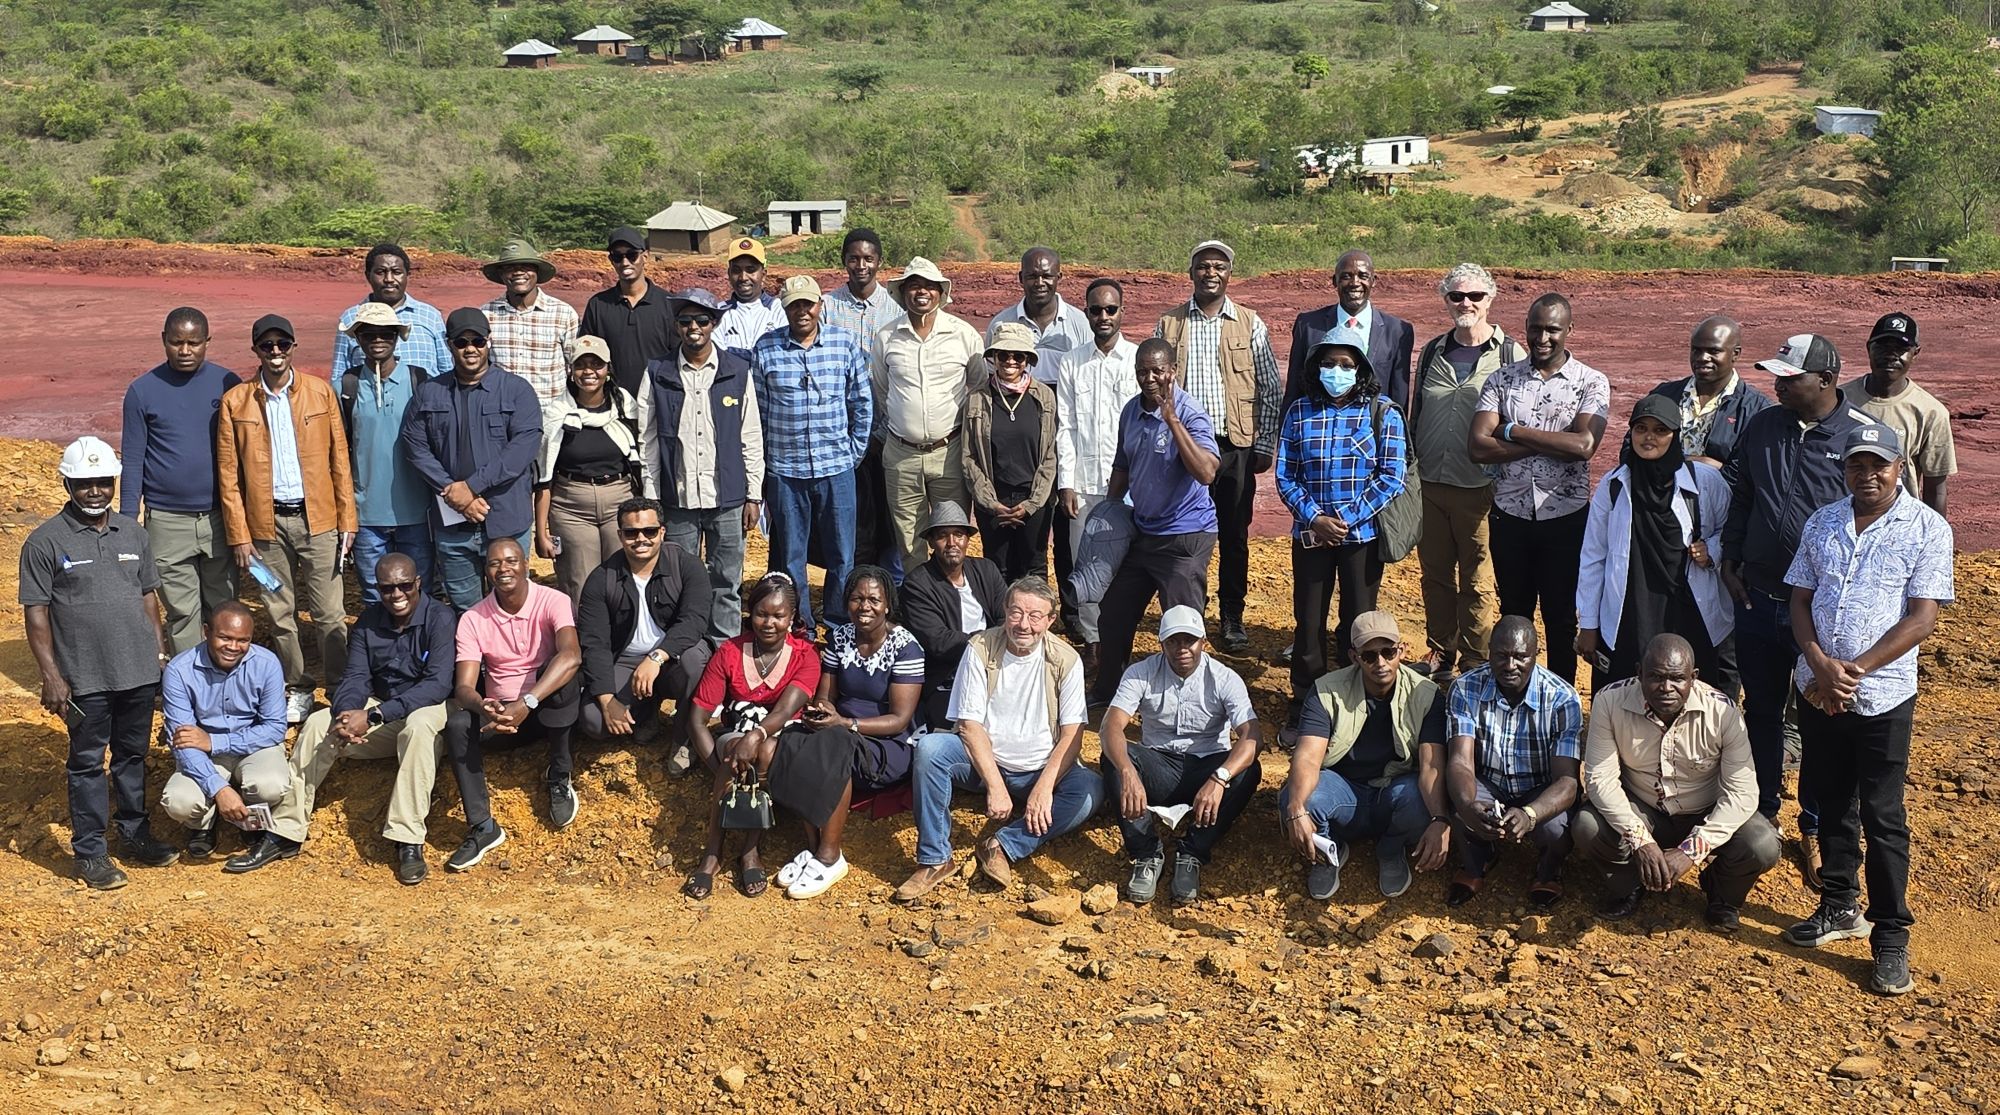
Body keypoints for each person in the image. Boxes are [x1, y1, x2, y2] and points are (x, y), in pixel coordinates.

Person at [1781, 423, 1953, 996]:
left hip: (1882, 697)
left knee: (1882, 816)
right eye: (1857, 465)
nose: (1867, 475)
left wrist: (1856, 670)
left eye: (1878, 464)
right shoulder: (1822, 522)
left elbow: (1923, 616)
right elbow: (1799, 598)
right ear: (1845, 469)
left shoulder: (1927, 528)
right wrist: (1819, 663)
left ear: (1899, 466)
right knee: (1831, 802)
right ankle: (1837, 906)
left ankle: (1890, 938)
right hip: (1817, 688)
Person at [1720, 333, 1877, 889]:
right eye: (1777, 376)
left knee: (1818, 717)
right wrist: (1731, 555)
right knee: (1760, 708)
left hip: (1821, 609)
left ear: (1827, 380)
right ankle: (1762, 808)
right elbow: (1743, 494)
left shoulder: (1860, 440)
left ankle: (1812, 823)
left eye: (1791, 377)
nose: (1779, 383)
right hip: (1757, 597)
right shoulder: (1764, 425)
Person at [21, 437, 178, 889]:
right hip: (84, 678)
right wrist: (51, 675)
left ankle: (133, 835)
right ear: (67, 483)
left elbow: (149, 597)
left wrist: (159, 655)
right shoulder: (45, 541)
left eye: (103, 482)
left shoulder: (133, 533)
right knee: (88, 762)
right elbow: (36, 612)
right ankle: (90, 853)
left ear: (114, 483)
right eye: (85, 483)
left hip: (138, 673)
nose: (95, 491)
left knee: (132, 755)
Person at [895, 577, 1100, 902]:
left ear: (1050, 620)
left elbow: (1072, 734)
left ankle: (1003, 845)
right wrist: (995, 786)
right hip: (982, 763)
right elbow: (969, 725)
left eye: (1035, 616)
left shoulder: (1066, 660)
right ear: (1004, 610)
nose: (1024, 624)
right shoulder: (980, 648)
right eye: (1016, 612)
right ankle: (935, 859)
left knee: (1089, 790)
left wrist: (1044, 787)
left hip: (1039, 767)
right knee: (931, 749)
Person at [265, 553, 455, 885]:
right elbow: (354, 678)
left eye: (404, 586)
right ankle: (286, 829)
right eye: (387, 589)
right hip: (380, 709)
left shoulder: (441, 618)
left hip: (427, 708)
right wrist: (346, 714)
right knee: (315, 725)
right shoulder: (369, 621)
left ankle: (407, 838)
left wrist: (374, 715)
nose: (396, 595)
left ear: (418, 584)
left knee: (419, 727)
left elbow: (436, 686)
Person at [1577, 634, 1780, 932]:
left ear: (1693, 678)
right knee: (1587, 827)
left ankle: (1722, 895)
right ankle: (1631, 883)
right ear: (1639, 673)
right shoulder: (1609, 701)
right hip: (1643, 810)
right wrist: (1640, 841)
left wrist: (1692, 850)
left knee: (1762, 844)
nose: (1666, 688)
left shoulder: (1722, 712)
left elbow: (1743, 794)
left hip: (1703, 810)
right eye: (1656, 677)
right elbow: (1600, 781)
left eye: (1677, 679)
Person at [217, 313, 356, 724]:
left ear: (294, 347)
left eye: (283, 345)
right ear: (256, 350)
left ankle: (339, 685)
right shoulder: (236, 402)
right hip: (265, 531)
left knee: (330, 612)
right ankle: (297, 686)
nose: (276, 353)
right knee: (279, 612)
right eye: (267, 346)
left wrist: (347, 521)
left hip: (320, 523)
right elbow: (229, 474)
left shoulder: (320, 394)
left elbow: (340, 461)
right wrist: (239, 535)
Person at [1467, 293, 1611, 686]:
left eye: (1552, 329)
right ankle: (1516, 693)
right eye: (1536, 328)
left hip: (1565, 519)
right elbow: (1478, 446)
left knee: (1561, 616)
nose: (1542, 337)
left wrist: (1512, 431)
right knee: (1514, 611)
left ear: (1569, 330)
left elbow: (1583, 447)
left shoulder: (1591, 382)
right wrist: (1553, 440)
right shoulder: (1501, 379)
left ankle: (1560, 697)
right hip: (1510, 516)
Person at [765, 567, 925, 900]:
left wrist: (845, 724)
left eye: (873, 600)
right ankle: (812, 848)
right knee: (794, 738)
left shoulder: (906, 647)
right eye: (856, 598)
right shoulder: (840, 638)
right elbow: (826, 695)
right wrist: (822, 712)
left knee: (833, 744)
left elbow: (899, 718)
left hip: (887, 744)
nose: (864, 607)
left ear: (887, 605)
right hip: (839, 730)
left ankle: (831, 855)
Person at [1275, 328, 1406, 736]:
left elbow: (1391, 475)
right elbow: (1286, 473)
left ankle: (1355, 702)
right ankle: (1306, 702)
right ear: (1316, 368)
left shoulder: (1382, 411)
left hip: (1360, 539)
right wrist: (1315, 518)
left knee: (1358, 621)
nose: (1337, 371)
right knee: (1308, 621)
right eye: (1329, 364)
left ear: (1361, 369)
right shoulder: (1299, 412)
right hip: (1310, 536)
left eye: (1346, 365)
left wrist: (1344, 519)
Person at [1153, 239, 1281, 654]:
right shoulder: (1169, 324)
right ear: (1190, 273)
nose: (1211, 273)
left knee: (1234, 535)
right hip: (1186, 449)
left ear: (1229, 274)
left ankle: (1232, 618)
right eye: (1203, 266)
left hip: (1235, 447)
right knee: (1184, 533)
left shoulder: (1249, 323)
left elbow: (1268, 387)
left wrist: (1263, 443)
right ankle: (1188, 615)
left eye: (1219, 266)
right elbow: (1156, 385)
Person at [1280, 611, 1450, 901]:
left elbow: (1432, 765)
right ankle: (1327, 848)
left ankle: (1391, 849)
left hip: (1393, 789)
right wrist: (1296, 809)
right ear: (1354, 656)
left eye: (1388, 652)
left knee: (1422, 800)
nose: (1380, 663)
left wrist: (1441, 819)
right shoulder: (1326, 691)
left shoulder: (1427, 694)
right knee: (1297, 798)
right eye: (1369, 656)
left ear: (1402, 651)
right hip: (1343, 788)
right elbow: (1307, 758)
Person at [1088, 339, 1221, 709]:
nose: (1150, 378)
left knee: (1182, 627)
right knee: (1113, 613)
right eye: (1142, 371)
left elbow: (1207, 472)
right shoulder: (1131, 411)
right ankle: (1109, 689)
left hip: (1184, 539)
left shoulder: (1191, 413)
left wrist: (1172, 420)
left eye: (1157, 371)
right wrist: (1110, 515)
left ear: (1172, 371)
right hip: (1143, 533)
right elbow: (1123, 466)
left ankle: (1190, 701)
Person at [1100, 607, 1261, 905]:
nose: (1182, 648)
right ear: (1161, 644)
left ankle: (1193, 853)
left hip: (1207, 767)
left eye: (1190, 640)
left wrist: (1220, 777)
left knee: (1249, 770)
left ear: (1203, 642)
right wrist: (1127, 771)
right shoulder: (1141, 673)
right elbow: (1111, 725)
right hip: (1159, 765)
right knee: (1114, 757)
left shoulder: (1224, 678)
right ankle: (1146, 852)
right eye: (1173, 641)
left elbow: (1252, 737)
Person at [442, 538, 584, 869]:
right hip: (500, 718)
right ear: (487, 571)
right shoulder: (473, 619)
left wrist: (528, 701)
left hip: (545, 711)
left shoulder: (554, 601)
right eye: (494, 563)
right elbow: (463, 687)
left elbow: (572, 654)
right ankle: (482, 827)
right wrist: (483, 706)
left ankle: (559, 775)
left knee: (562, 676)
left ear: (525, 564)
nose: (503, 568)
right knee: (458, 724)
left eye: (511, 561)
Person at [1576, 395, 1733, 692]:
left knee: (1691, 695)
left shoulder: (1705, 482)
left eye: (1661, 430)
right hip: (1630, 612)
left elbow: (1732, 532)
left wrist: (1711, 550)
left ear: (1676, 435)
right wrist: (1589, 623)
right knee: (1626, 697)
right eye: (1641, 428)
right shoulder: (1614, 485)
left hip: (1689, 611)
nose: (1649, 437)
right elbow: (1594, 556)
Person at [1408, 264, 1519, 682]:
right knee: (1435, 574)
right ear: (1446, 301)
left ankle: (1474, 660)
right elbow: (1417, 410)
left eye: (1475, 296)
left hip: (1481, 488)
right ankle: (1441, 650)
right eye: (1457, 297)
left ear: (1490, 299)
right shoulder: (1434, 350)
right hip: (1431, 484)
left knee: (1477, 579)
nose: (1466, 304)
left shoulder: (1510, 355)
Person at [684, 573, 822, 900]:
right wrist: (717, 764)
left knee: (766, 749)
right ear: (750, 612)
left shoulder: (805, 656)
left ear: (792, 618)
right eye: (762, 613)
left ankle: (749, 848)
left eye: (779, 615)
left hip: (783, 737)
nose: (769, 622)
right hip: (733, 736)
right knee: (735, 749)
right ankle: (714, 852)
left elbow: (786, 711)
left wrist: (756, 736)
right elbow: (698, 717)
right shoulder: (730, 652)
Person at [399, 307, 544, 612]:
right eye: (461, 342)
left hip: (506, 519)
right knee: (465, 608)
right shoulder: (429, 393)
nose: (470, 349)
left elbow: (522, 449)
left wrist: (473, 486)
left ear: (488, 341)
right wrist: (454, 491)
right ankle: (475, 661)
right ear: (449, 344)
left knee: (513, 601)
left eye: (477, 341)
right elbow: (415, 446)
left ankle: (516, 661)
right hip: (453, 524)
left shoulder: (517, 390)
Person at [752, 274, 873, 629]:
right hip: (786, 471)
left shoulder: (844, 344)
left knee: (842, 555)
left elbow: (862, 403)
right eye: (794, 305)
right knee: (791, 556)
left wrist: (853, 455)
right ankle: (800, 624)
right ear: (784, 308)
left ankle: (837, 623)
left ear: (819, 305)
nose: (801, 311)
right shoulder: (766, 348)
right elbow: (757, 412)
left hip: (836, 468)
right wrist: (765, 464)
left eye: (808, 303)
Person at [121, 307, 240, 654]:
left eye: (193, 343)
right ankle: (190, 684)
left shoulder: (228, 384)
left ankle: (226, 679)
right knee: (182, 611)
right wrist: (129, 522)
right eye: (176, 343)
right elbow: (133, 459)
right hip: (168, 521)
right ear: (164, 341)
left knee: (223, 605)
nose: (185, 351)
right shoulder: (142, 391)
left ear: (207, 342)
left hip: (220, 516)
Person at [648, 287, 761, 648]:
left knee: (726, 582)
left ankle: (722, 653)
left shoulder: (737, 371)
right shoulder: (658, 372)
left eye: (701, 320)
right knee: (675, 582)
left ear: (715, 323)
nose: (693, 327)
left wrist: (754, 494)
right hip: (677, 499)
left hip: (726, 498)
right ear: (676, 326)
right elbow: (646, 439)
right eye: (685, 321)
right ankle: (681, 653)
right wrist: (652, 498)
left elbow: (751, 436)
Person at [1445, 615, 1583, 908]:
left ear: (1535, 655)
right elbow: (1460, 763)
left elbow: (1567, 782)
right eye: (1501, 656)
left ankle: (1548, 870)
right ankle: (1478, 860)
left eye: (1520, 657)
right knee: (1458, 800)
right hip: (1489, 782)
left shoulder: (1562, 697)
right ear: (1489, 653)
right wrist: (1469, 806)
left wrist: (1530, 814)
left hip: (1538, 788)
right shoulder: (1465, 688)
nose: (1510, 666)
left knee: (1556, 826)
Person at [574, 498, 713, 770]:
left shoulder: (687, 566)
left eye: (649, 531)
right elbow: (595, 643)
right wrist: (605, 699)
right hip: (625, 660)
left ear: (662, 531)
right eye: (631, 532)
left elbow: (694, 622)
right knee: (594, 721)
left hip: (673, 657)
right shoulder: (601, 578)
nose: (641, 539)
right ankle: (646, 709)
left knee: (695, 662)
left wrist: (657, 657)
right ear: (619, 535)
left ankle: (683, 738)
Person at [873, 256, 986, 566]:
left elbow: (977, 389)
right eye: (913, 286)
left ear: (940, 292)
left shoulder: (963, 335)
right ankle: (920, 606)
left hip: (949, 451)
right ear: (903, 292)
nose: (921, 292)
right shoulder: (886, 337)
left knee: (951, 536)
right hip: (901, 454)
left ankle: (951, 600)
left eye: (929, 286)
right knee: (909, 541)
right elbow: (882, 391)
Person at [159, 601, 291, 866]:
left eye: (243, 640)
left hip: (253, 745)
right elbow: (184, 743)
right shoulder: (179, 671)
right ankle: (203, 825)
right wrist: (219, 789)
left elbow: (275, 728)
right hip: (200, 753)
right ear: (206, 632)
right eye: (225, 637)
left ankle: (251, 824)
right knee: (179, 802)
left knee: (271, 785)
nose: (234, 647)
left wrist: (215, 741)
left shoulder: (266, 664)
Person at [534, 335, 656, 599]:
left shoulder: (625, 406)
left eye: (596, 364)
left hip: (620, 501)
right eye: (581, 365)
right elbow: (544, 477)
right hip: (571, 507)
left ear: (608, 369)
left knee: (624, 579)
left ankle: (623, 640)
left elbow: (643, 457)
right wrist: (541, 531)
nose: (589, 372)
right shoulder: (557, 413)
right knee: (580, 584)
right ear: (571, 370)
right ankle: (586, 640)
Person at [1055, 277, 1138, 653]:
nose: (1103, 316)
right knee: (1085, 563)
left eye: (1111, 309)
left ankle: (1120, 638)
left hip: (1131, 485)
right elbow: (1066, 425)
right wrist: (1066, 484)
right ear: (1085, 312)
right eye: (1095, 310)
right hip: (1084, 482)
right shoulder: (1072, 362)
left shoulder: (1138, 360)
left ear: (1122, 311)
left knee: (1126, 565)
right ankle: (1093, 641)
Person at [820, 227, 904, 577]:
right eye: (854, 258)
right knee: (852, 517)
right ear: (844, 261)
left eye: (868, 258)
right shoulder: (827, 307)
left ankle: (892, 593)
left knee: (891, 517)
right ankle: (856, 586)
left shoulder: (896, 308)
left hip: (888, 430)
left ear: (879, 262)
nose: (861, 265)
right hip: (840, 433)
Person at [340, 302, 435, 605]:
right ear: (358, 339)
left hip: (416, 512)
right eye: (369, 334)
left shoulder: (420, 381)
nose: (378, 340)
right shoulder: (347, 385)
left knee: (418, 591)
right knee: (374, 597)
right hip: (366, 515)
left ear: (397, 337)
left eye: (386, 334)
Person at [899, 501, 1008, 729]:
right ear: (930, 542)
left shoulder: (986, 569)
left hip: (995, 668)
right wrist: (994, 639)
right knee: (968, 728)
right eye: (942, 535)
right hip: (948, 677)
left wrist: (995, 643)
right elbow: (939, 641)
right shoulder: (917, 584)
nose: (951, 543)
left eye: (958, 534)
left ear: (968, 539)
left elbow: (1007, 617)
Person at [963, 322, 1059, 582]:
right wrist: (992, 503)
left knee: (1034, 565)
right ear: (993, 358)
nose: (1010, 361)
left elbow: (1050, 454)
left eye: (1018, 355)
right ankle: (1001, 621)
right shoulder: (977, 399)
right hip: (994, 498)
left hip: (1034, 497)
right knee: (997, 567)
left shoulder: (1044, 398)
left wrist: (1031, 504)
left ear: (1027, 359)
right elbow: (969, 456)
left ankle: (1035, 622)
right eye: (1003, 355)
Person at [1848, 312, 1954, 515]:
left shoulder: (1931, 412)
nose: (1890, 355)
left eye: (1901, 348)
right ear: (1868, 348)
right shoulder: (1840, 400)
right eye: (1882, 347)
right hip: (1841, 519)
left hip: (1899, 524)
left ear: (1916, 352)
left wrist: (1935, 538)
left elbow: (1936, 489)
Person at [1283, 249, 1415, 411]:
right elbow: (1294, 391)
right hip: (1320, 426)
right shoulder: (1308, 325)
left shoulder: (1397, 331)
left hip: (1372, 431)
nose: (1355, 282)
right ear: (1334, 281)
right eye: (1346, 276)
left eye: (1363, 276)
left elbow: (1399, 397)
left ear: (1373, 281)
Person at [1647, 316, 1772, 471]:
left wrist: (1710, 473)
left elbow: (1750, 471)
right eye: (1696, 350)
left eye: (1714, 351)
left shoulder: (1757, 409)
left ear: (1735, 354)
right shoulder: (1663, 396)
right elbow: (1632, 449)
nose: (1702, 358)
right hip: (1660, 492)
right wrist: (1696, 463)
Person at [333, 243, 452, 384]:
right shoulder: (350, 318)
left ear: (407, 275)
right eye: (380, 272)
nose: (389, 279)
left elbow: (447, 371)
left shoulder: (430, 316)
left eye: (396, 272)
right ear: (368, 275)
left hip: (425, 404)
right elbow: (339, 375)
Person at [480, 239, 578, 408]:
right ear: (501, 275)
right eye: (510, 268)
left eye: (526, 266)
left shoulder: (563, 313)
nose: (518, 272)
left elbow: (574, 365)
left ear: (537, 272)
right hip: (501, 410)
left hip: (549, 413)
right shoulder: (486, 314)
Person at [579, 227, 675, 396]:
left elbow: (679, 356)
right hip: (613, 404)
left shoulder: (669, 304)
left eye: (631, 255)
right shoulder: (598, 305)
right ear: (611, 260)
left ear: (644, 256)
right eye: (618, 257)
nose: (625, 262)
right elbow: (587, 356)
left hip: (659, 400)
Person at [985, 246, 1092, 383]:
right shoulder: (1001, 325)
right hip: (1014, 404)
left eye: (1047, 276)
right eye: (1032, 276)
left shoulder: (1081, 324)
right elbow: (990, 376)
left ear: (1058, 278)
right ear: (1021, 278)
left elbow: (1089, 375)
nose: (1039, 283)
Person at [713, 236, 785, 360]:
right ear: (729, 274)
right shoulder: (718, 312)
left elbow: (782, 353)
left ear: (763, 274)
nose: (743, 277)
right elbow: (718, 356)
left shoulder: (779, 309)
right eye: (736, 270)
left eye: (751, 270)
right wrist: (763, 353)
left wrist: (733, 352)